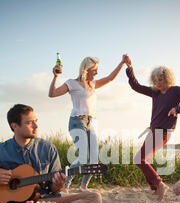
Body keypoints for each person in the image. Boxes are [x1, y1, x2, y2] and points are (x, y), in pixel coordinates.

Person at [124, 55, 180, 201]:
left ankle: (159, 184)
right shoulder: (155, 92)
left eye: (161, 80)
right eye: (155, 80)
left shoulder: (175, 91)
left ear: (167, 79)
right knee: (141, 159)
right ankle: (156, 187)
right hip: (154, 130)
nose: (158, 83)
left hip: (164, 131)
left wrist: (179, 109)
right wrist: (130, 68)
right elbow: (136, 86)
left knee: (139, 159)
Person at [49, 55, 129, 192]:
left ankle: (83, 186)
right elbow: (52, 94)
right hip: (77, 121)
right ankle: (66, 182)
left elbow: (110, 78)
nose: (97, 73)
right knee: (83, 158)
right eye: (94, 70)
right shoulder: (71, 83)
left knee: (94, 160)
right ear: (86, 70)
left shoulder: (93, 85)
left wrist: (122, 63)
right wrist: (55, 76)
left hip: (91, 122)